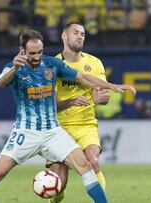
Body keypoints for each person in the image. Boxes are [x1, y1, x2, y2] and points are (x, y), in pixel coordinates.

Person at [0, 29, 136, 203]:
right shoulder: (13, 67)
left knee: (85, 166)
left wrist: (113, 86)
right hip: (26, 132)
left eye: (39, 52)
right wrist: (15, 68)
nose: (37, 56)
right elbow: (0, 82)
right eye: (32, 53)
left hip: (53, 132)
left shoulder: (52, 64)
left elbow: (83, 78)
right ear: (22, 50)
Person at [47, 22, 110, 203]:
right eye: (76, 33)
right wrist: (70, 102)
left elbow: (101, 94)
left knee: (93, 161)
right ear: (64, 37)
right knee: (59, 183)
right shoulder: (52, 66)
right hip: (60, 129)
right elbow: (50, 105)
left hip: (86, 125)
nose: (80, 36)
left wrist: (101, 98)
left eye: (83, 34)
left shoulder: (95, 63)